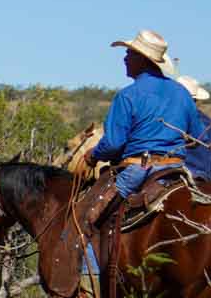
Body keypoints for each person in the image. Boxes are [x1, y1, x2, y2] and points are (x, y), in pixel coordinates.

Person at [87, 29, 204, 199]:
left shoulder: (128, 95)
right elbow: (197, 139)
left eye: (129, 54)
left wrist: (94, 154)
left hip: (139, 170)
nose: (125, 59)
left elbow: (113, 144)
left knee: (90, 209)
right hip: (177, 171)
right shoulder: (183, 93)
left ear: (142, 59)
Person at [176, 75, 211, 181]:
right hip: (202, 176)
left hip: (174, 173)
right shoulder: (208, 123)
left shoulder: (167, 118)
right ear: (196, 99)